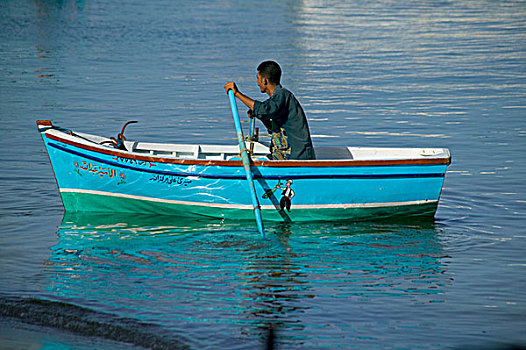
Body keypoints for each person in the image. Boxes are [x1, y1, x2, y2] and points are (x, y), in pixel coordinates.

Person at [224, 61, 316, 160]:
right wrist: (259, 116)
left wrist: (237, 93)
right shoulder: (277, 100)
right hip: (284, 158)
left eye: (257, 78)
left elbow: (264, 110)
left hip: (298, 158)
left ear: (264, 80)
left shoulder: (282, 95)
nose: (257, 82)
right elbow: (273, 129)